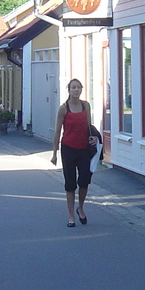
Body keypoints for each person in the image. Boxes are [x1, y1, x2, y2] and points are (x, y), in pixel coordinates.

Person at [49, 79, 101, 227]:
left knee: (84, 180)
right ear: (69, 90)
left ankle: (81, 207)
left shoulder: (86, 105)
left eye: (78, 87)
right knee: (70, 183)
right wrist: (54, 153)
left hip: (84, 149)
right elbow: (58, 131)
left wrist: (93, 137)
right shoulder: (64, 109)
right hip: (68, 149)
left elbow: (89, 126)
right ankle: (71, 215)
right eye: (73, 88)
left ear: (81, 90)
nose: (76, 90)